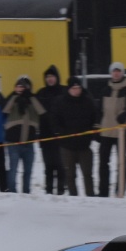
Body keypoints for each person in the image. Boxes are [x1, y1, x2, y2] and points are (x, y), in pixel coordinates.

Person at [93, 62, 126, 197]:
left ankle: (120, 191)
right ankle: (103, 193)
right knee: (103, 163)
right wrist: (97, 128)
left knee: (121, 164)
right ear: (111, 73)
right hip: (106, 131)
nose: (116, 73)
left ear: (122, 73)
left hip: (121, 132)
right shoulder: (105, 89)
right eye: (114, 71)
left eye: (118, 71)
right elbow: (99, 110)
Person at [3, 75, 45, 193]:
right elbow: (5, 109)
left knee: (28, 170)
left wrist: (30, 96)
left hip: (28, 142)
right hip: (13, 142)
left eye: (24, 87)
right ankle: (12, 192)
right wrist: (15, 95)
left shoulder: (33, 99)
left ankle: (26, 192)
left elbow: (41, 111)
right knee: (13, 170)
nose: (21, 88)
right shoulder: (12, 98)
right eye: (19, 86)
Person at [35, 65, 68, 195]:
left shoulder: (64, 91)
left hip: (60, 136)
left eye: (52, 76)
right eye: (47, 76)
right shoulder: (41, 93)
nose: (50, 79)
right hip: (45, 135)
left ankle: (61, 190)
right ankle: (48, 190)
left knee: (60, 165)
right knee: (48, 166)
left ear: (57, 77)